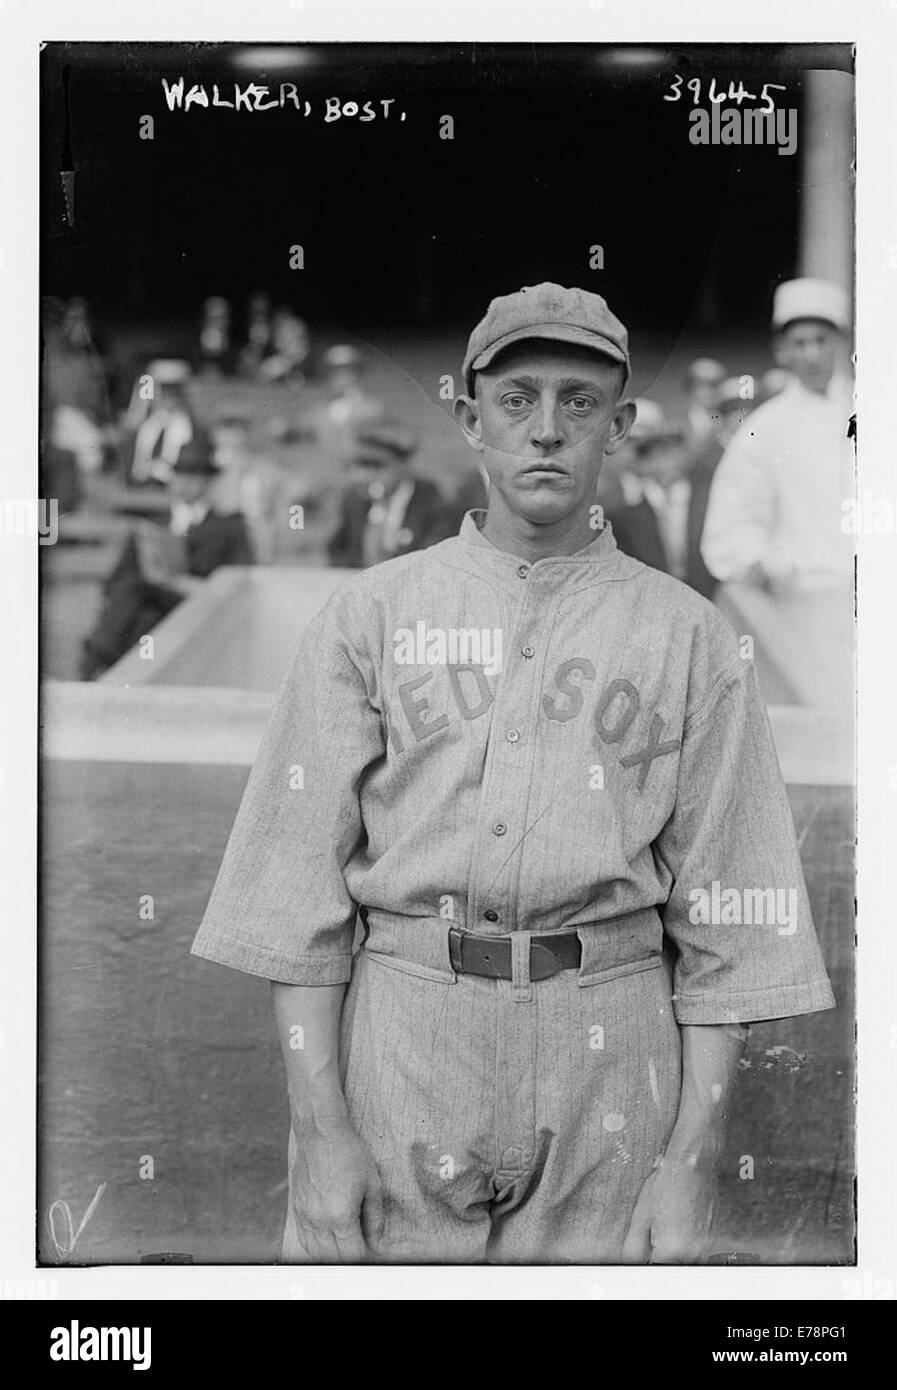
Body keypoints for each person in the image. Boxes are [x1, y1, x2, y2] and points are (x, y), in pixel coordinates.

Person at [191, 281, 834, 1265]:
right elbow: (293, 905)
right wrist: (321, 1133)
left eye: (579, 403)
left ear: (618, 425)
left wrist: (689, 1164)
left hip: (611, 1050)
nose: (545, 429)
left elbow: (731, 932)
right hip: (406, 1031)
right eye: (516, 398)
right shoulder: (372, 616)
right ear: (469, 416)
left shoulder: (694, 638)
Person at [700, 278, 854, 592]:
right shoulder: (764, 429)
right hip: (799, 597)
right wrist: (752, 561)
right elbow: (736, 518)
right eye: (800, 343)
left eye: (821, 340)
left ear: (840, 342)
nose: (812, 355)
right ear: (782, 351)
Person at [327, 418, 457, 568]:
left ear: (404, 465)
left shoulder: (434, 504)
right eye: (359, 465)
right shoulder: (353, 501)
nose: (362, 476)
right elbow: (337, 553)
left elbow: (433, 562)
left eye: (376, 466)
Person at [685, 377, 758, 601]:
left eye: (749, 411)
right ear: (724, 417)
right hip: (718, 573)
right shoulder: (708, 459)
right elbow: (699, 523)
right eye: (737, 411)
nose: (744, 418)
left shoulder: (758, 455)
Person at [601, 398, 691, 581]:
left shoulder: (687, 493)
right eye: (629, 441)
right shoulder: (603, 501)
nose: (634, 451)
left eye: (647, 445)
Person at [684, 357, 726, 445]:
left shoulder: (728, 418)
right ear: (690, 388)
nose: (708, 392)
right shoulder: (678, 422)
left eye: (714, 385)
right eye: (701, 385)